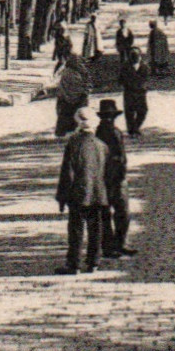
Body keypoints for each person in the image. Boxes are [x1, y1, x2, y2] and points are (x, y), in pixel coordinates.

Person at [55, 107, 109, 274]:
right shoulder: (102, 146)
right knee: (96, 229)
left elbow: (67, 172)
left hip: (78, 193)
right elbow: (108, 172)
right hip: (98, 193)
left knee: (76, 230)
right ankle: (93, 262)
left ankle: (74, 264)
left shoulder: (73, 144)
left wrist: (62, 197)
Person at [96, 100, 136, 258]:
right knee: (106, 213)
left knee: (122, 213)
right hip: (107, 178)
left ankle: (120, 243)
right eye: (106, 117)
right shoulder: (101, 134)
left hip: (119, 176)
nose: (109, 119)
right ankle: (108, 246)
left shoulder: (116, 131)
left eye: (111, 116)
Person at [53, 55, 90, 138]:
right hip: (78, 100)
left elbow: (59, 86)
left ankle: (62, 132)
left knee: (64, 115)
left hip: (65, 100)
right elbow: (84, 86)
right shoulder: (79, 72)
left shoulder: (65, 71)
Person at [120, 48, 149, 136]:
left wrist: (144, 87)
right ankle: (131, 130)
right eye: (133, 56)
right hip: (129, 91)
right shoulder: (125, 66)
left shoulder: (144, 66)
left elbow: (146, 78)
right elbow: (121, 79)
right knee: (129, 112)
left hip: (141, 92)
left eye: (136, 56)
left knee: (143, 111)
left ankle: (135, 127)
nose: (135, 58)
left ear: (140, 56)